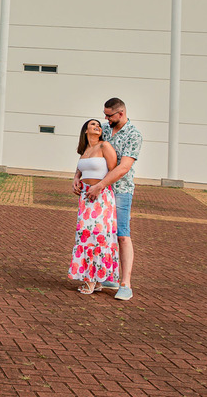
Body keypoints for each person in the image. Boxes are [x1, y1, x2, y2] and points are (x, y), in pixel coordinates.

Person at [73, 97, 141, 301]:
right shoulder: (103, 128)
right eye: (104, 115)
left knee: (122, 234)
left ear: (121, 113)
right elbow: (88, 153)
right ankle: (105, 276)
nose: (105, 119)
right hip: (97, 192)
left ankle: (125, 283)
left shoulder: (133, 135)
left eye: (109, 115)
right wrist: (77, 176)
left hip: (120, 190)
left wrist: (100, 185)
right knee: (99, 234)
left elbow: (124, 167)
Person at [67, 119, 119, 295]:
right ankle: (94, 280)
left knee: (97, 236)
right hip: (85, 197)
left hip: (101, 197)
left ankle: (91, 280)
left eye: (98, 125)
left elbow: (113, 170)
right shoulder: (85, 151)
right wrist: (76, 178)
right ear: (85, 130)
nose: (97, 127)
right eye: (93, 125)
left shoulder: (104, 146)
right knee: (84, 235)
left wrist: (99, 187)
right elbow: (80, 169)